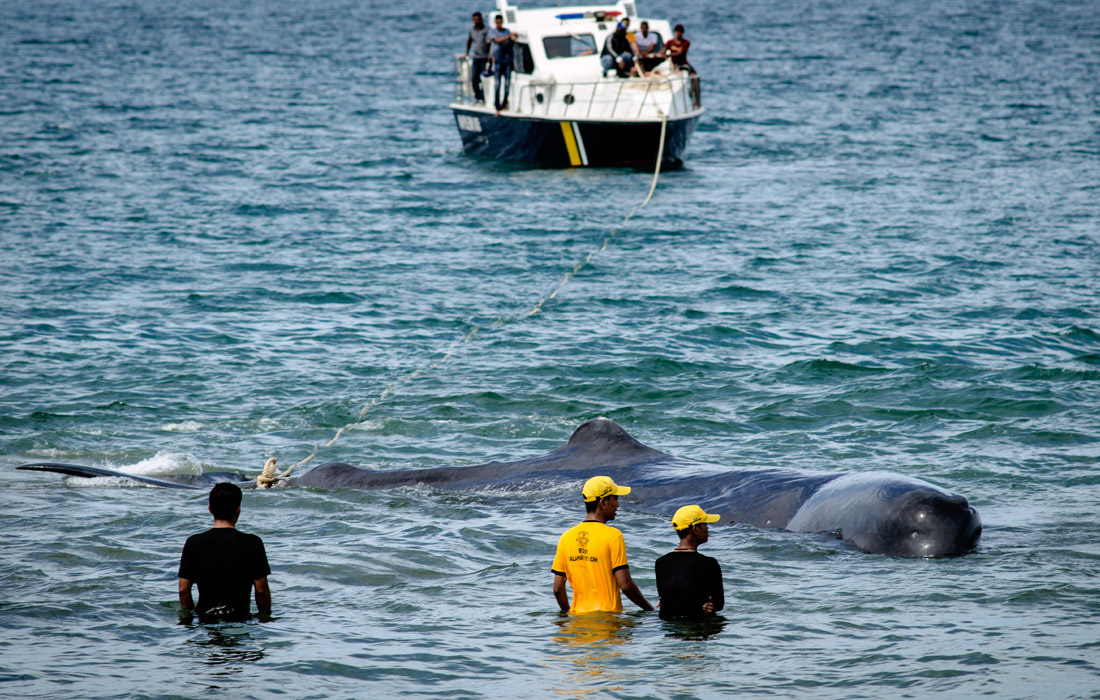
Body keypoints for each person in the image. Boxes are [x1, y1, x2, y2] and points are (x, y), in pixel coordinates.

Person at [552, 476, 654, 613]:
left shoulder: (566, 536)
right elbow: (625, 585)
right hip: (607, 619)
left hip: (577, 620)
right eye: (615, 499)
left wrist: (568, 614)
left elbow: (558, 589)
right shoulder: (613, 535)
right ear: (603, 503)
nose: (618, 505)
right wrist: (650, 610)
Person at [178, 482, 271, 622]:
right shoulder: (253, 542)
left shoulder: (193, 542)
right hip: (239, 618)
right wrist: (265, 618)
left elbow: (183, 590)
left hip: (205, 618)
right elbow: (261, 591)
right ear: (238, 509)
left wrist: (190, 619)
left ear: (210, 508)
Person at [654, 505, 724, 620]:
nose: (707, 528)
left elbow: (665, 598)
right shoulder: (709, 563)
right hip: (698, 624)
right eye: (705, 524)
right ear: (695, 529)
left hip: (668, 624)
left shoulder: (661, 562)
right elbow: (719, 604)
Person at [487, 14, 517, 113]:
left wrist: (512, 38)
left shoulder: (506, 31)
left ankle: (504, 104)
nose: (499, 24)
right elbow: (498, 41)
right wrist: (509, 36)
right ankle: (497, 105)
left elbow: (509, 43)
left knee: (507, 84)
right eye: (497, 22)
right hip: (498, 61)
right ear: (495, 22)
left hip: (507, 61)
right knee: (497, 84)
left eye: (500, 22)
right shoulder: (492, 32)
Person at [465, 12, 490, 104]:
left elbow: (491, 43)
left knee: (484, 79)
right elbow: (469, 41)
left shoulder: (487, 30)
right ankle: (477, 96)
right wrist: (467, 52)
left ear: (481, 19)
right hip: (476, 57)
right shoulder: (472, 31)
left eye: (478, 19)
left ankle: (483, 97)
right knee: (474, 78)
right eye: (474, 19)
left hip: (485, 58)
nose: (476, 21)